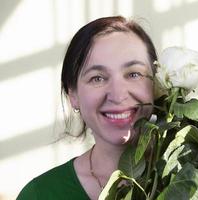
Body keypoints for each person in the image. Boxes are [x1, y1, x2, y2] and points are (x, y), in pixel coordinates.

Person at [17, 16, 157, 200]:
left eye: (133, 74)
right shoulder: (40, 194)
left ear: (158, 84)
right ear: (72, 95)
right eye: (97, 78)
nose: (118, 94)